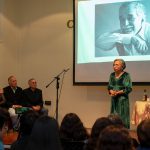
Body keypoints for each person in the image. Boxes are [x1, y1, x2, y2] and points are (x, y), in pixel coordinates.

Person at [108, 59, 132, 129]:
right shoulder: (112, 75)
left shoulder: (126, 75)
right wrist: (111, 91)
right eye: (114, 64)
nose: (114, 66)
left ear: (122, 66)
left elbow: (128, 88)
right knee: (113, 116)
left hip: (122, 100)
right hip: (114, 99)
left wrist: (118, 92)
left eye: (116, 64)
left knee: (122, 116)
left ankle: (123, 132)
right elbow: (109, 86)